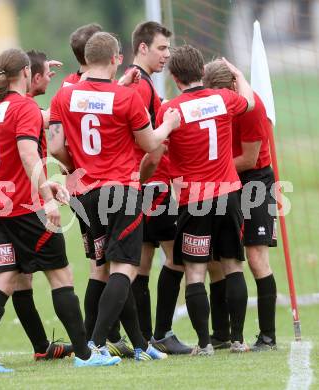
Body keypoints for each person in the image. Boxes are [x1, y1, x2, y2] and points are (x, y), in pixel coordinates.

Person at [0, 48, 120, 374]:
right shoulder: (24, 108)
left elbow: (33, 126)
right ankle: (85, 355)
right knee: (61, 275)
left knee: (4, 278)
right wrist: (46, 198)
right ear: (25, 74)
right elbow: (27, 154)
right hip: (24, 209)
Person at [49, 32, 180, 361]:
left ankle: (139, 345)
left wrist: (76, 166)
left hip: (87, 195)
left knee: (102, 267)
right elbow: (151, 144)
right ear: (116, 58)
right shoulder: (127, 98)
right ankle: (91, 347)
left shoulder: (64, 97)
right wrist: (169, 125)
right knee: (124, 269)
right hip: (122, 190)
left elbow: (53, 146)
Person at [0, 50, 73, 363]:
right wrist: (88, 86)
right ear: (26, 74)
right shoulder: (22, 108)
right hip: (18, 205)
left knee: (13, 278)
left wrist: (34, 72)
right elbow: (40, 132)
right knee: (19, 277)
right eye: (40, 75)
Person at [155, 44, 254, 355]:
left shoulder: (171, 109)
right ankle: (237, 339)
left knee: (195, 272)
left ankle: (203, 344)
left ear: (173, 75)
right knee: (233, 266)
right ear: (202, 72)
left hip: (194, 199)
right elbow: (249, 102)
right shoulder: (223, 98)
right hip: (228, 194)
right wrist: (238, 74)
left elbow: (158, 149)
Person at [203, 59, 278, 351]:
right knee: (218, 259)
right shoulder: (213, 102)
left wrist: (211, 170)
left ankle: (268, 336)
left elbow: (249, 158)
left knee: (256, 258)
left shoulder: (252, 107)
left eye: (220, 92)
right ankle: (221, 334)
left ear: (234, 86)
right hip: (226, 180)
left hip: (254, 180)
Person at [126, 21, 191, 355]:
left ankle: (143, 336)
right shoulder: (140, 86)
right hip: (152, 187)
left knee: (142, 262)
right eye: (162, 48)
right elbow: (147, 144)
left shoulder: (141, 83)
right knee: (177, 258)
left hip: (144, 187)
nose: (167, 54)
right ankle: (160, 333)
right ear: (142, 47)